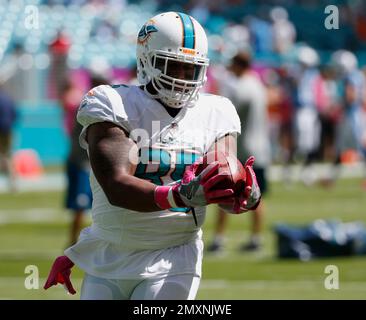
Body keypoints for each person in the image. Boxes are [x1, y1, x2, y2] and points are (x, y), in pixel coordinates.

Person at [44, 11, 261, 300]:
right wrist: (180, 196)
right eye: (172, 66)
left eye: (190, 69)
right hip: (110, 251)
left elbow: (222, 180)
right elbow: (116, 185)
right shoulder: (112, 103)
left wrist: (243, 193)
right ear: (146, 59)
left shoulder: (216, 112)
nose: (182, 78)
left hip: (174, 254)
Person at [208, 51, 270, 252]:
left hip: (244, 149)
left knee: (225, 192)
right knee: (255, 196)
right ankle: (256, 238)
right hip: (259, 147)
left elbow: (227, 114)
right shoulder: (256, 83)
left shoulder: (242, 87)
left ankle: (219, 239)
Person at [0, 85, 17, 191]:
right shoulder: (9, 99)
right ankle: (13, 182)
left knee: (3, 155)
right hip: (9, 130)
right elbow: (15, 114)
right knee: (8, 155)